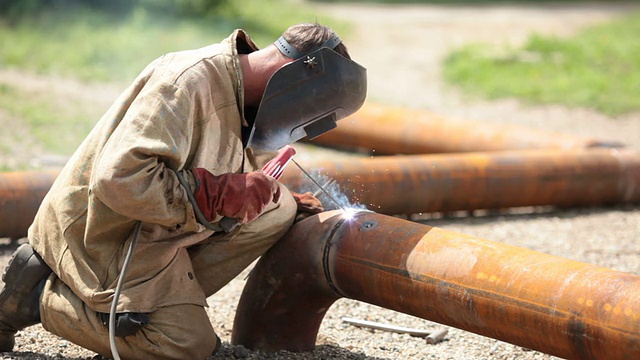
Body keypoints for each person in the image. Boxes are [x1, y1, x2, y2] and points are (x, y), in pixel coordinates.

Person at [0, 23, 366, 359]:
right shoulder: (187, 81)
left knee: (279, 206)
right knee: (186, 347)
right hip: (103, 235)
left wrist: (265, 199)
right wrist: (220, 194)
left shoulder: (248, 101)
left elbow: (223, 173)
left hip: (160, 229)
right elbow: (118, 179)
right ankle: (42, 297)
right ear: (301, 77)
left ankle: (157, 306)